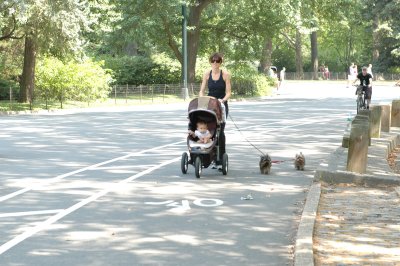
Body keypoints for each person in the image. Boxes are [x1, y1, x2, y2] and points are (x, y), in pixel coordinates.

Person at [199, 52, 231, 164]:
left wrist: (223, 100)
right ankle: (209, 155)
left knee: (220, 131)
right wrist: (201, 99)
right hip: (210, 104)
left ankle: (221, 158)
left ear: (221, 62)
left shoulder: (225, 74)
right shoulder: (207, 74)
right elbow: (202, 90)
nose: (215, 63)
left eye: (217, 61)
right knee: (209, 129)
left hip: (221, 104)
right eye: (213, 61)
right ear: (210, 62)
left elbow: (228, 93)